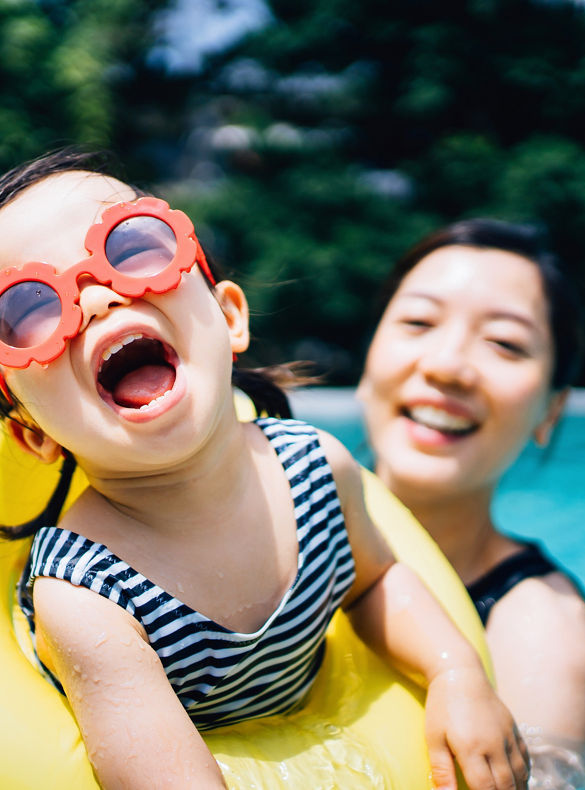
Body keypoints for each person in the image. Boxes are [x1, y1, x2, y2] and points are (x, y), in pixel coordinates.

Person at [0, 151, 529, 790]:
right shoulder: (85, 595)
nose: (99, 298)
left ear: (229, 317)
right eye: (30, 309)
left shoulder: (317, 468)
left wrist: (455, 675)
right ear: (33, 435)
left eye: (132, 247)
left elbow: (376, 583)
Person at [357, 219, 585, 783]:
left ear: (551, 410)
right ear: (370, 356)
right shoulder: (262, 518)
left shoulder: (538, 625)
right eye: (418, 322)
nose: (447, 366)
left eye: (505, 342)